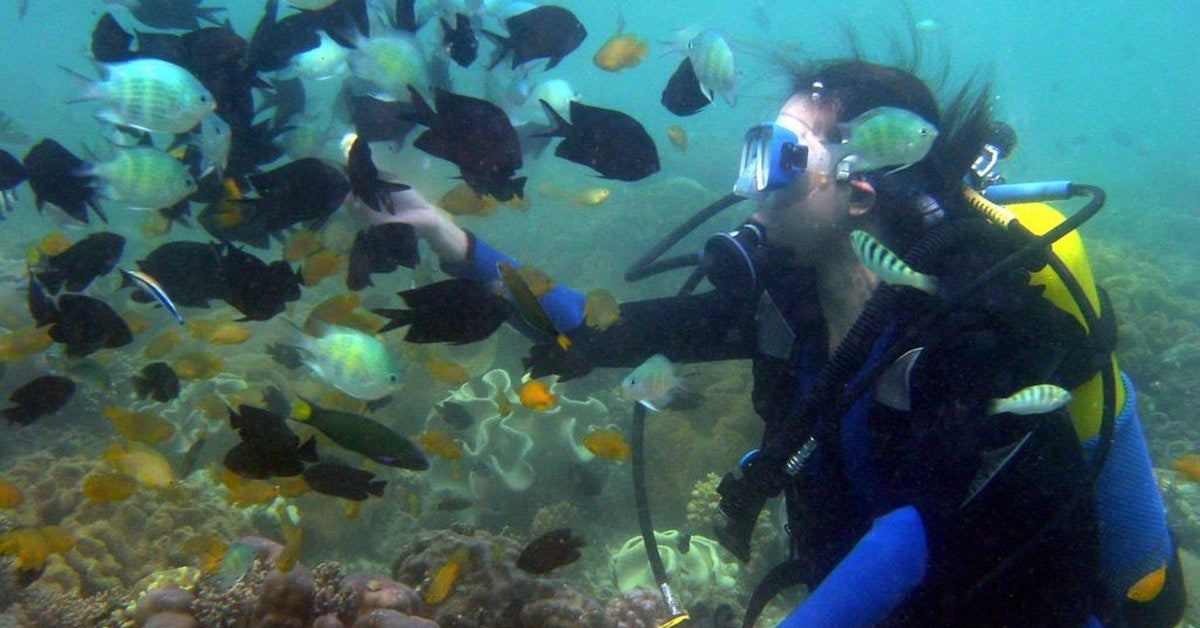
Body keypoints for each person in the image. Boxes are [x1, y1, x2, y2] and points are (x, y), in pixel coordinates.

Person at [365, 58, 1186, 626]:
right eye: (757, 148)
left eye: (782, 158)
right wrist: (448, 238)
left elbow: (914, 529)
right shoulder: (786, 304)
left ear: (861, 191)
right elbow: (601, 327)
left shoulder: (964, 325)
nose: (753, 183)